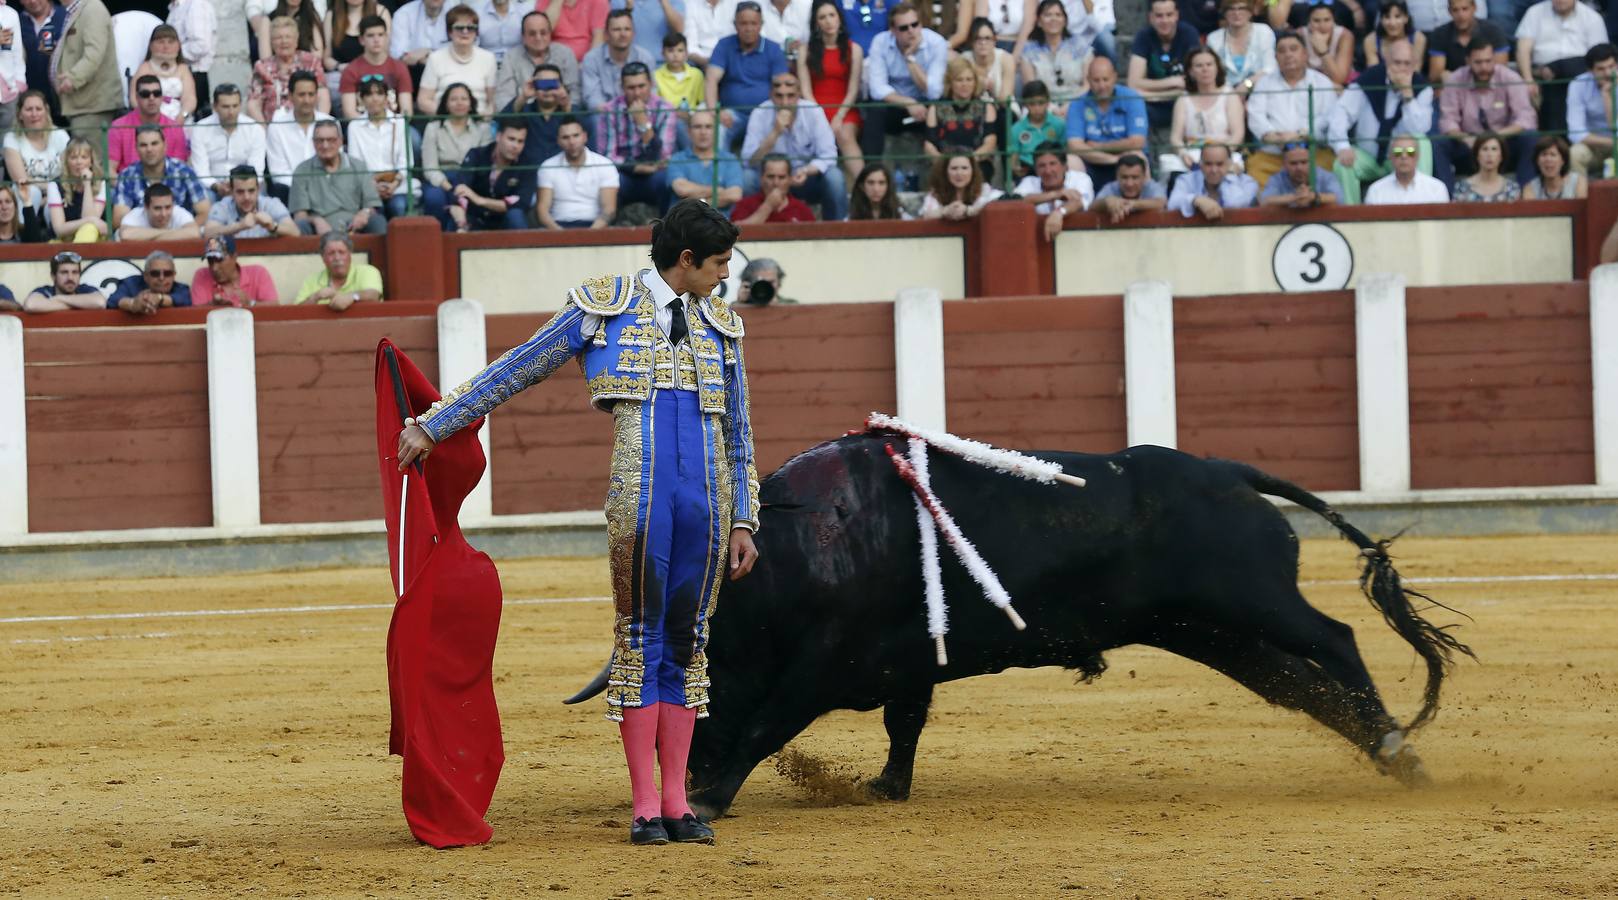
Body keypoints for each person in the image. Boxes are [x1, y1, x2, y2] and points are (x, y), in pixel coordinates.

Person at [396, 199, 760, 849]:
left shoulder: (722, 326)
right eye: (719, 262)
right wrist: (435, 424)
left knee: (688, 643)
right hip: (641, 500)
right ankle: (645, 806)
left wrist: (744, 520)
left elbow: (739, 436)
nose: (725, 275)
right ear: (686, 261)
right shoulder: (607, 304)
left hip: (707, 507)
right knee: (640, 640)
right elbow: (520, 366)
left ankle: (678, 802)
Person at [1326, 38, 1432, 204]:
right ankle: (1350, 216)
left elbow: (1419, 128)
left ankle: (1423, 205)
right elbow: (1340, 112)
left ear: (1414, 65)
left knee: (1422, 142)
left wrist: (1408, 96)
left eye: (1407, 64)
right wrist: (1342, 147)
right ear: (1387, 61)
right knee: (1342, 164)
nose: (1402, 69)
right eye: (1397, 63)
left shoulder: (1422, 88)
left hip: (1401, 156)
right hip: (1368, 157)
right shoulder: (1369, 79)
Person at [742, 71, 847, 219]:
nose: (785, 102)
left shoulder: (813, 111)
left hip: (805, 177)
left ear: (799, 95)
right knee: (747, 178)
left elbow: (829, 155)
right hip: (771, 180)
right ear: (771, 95)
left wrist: (806, 170)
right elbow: (748, 161)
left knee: (834, 177)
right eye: (779, 96)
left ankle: (838, 230)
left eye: (790, 96)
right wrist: (775, 133)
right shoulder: (760, 113)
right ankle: (745, 229)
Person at [1435, 40, 1537, 187]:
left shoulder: (1510, 78)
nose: (1484, 67)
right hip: (1468, 143)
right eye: (1478, 62)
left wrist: (1496, 137)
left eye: (1488, 61)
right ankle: (1447, 200)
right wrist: (1466, 138)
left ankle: (1527, 196)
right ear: (1468, 61)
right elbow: (1447, 121)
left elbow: (1525, 118)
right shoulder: (1455, 79)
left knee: (1530, 138)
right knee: (1438, 144)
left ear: (1494, 60)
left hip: (1504, 141)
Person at [1245, 31, 1337, 185]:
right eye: (1282, 51)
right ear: (1275, 57)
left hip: (1313, 153)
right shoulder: (1264, 83)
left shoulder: (1322, 82)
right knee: (1255, 170)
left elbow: (1328, 118)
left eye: (1293, 49)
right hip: (1274, 153)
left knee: (1332, 169)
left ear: (1305, 54)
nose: (1288, 55)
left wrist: (1300, 135)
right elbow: (1256, 117)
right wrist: (1275, 138)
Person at [859, 1, 947, 158]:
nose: (911, 31)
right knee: (874, 111)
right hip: (895, 106)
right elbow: (877, 90)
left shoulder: (936, 43)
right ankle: (872, 172)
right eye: (904, 28)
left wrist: (910, 59)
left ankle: (942, 170)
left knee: (941, 108)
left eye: (915, 24)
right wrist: (908, 103)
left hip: (926, 107)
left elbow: (934, 91)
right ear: (893, 30)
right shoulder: (881, 42)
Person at [1514, 0, 1608, 136]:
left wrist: (1560, 67)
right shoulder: (1534, 12)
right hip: (1541, 76)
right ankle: (1550, 142)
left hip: (1581, 75)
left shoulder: (1592, 17)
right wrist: (1528, 79)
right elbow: (1523, 49)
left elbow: (1599, 56)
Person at [706, 1, 790, 149]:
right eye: (743, 23)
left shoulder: (773, 48)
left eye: (753, 23)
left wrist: (779, 113)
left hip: (766, 114)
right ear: (735, 24)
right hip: (732, 114)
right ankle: (721, 172)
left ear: (761, 24)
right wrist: (715, 112)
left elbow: (782, 86)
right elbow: (711, 79)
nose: (748, 28)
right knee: (717, 130)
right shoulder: (724, 45)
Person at [798, 0, 864, 179]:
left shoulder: (854, 49)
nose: (828, 21)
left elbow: (853, 90)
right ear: (816, 23)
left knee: (844, 136)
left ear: (839, 18)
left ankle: (865, 185)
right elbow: (805, 90)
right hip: (814, 107)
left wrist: (839, 116)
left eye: (832, 15)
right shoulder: (805, 50)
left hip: (844, 108)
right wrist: (818, 116)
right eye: (822, 17)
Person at [598, 60, 677, 210]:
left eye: (641, 86)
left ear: (651, 84)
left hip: (655, 172)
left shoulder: (665, 109)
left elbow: (662, 156)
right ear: (622, 88)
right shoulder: (610, 110)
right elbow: (607, 156)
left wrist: (643, 123)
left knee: (667, 179)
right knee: (608, 181)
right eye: (631, 88)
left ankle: (667, 229)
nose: (637, 93)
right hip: (623, 172)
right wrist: (634, 167)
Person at [1066, 56, 1148, 189]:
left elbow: (1137, 142)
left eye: (1105, 79)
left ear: (1115, 77)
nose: (1102, 86)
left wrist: (1098, 146)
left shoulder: (1132, 98)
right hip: (1092, 161)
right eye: (1096, 80)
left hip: (1125, 160)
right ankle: (1078, 206)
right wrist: (1112, 159)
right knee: (1071, 161)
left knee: (1138, 156)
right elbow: (1075, 145)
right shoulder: (1077, 104)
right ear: (1088, 80)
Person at [289, 120, 385, 234]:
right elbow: (299, 215)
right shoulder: (302, 170)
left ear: (340, 141)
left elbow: (372, 205)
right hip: (319, 229)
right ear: (313, 143)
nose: (325, 145)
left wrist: (364, 213)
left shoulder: (358, 166)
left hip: (354, 225)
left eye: (331, 140)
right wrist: (316, 220)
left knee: (378, 221)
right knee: (301, 226)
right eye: (320, 141)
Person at [1128, 0, 1202, 145]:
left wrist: (1150, 91)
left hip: (1185, 101)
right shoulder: (1143, 36)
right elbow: (1133, 83)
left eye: (1169, 15)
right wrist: (1173, 82)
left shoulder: (1189, 34)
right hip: (1154, 105)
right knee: (1133, 106)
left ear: (1177, 15)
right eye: (1159, 16)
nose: (1164, 21)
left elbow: (1194, 81)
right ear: (1151, 18)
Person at [1166, 46, 1246, 176]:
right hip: (1193, 155)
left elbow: (1237, 135)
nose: (1205, 69)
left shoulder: (1229, 96)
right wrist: (1183, 153)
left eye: (1209, 64)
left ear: (1217, 67)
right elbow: (1176, 137)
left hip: (1224, 155)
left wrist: (1219, 155)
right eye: (1199, 66)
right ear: (1191, 71)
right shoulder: (1183, 99)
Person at [52, 0, 122, 145]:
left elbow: (94, 52)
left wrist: (73, 78)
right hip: (82, 105)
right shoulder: (76, 11)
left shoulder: (93, 9)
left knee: (90, 161)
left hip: (92, 106)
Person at [112, 125, 211, 229]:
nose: (149, 149)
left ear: (165, 145)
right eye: (143, 145)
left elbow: (204, 212)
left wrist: (180, 234)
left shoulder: (184, 172)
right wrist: (156, 236)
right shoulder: (127, 175)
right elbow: (119, 220)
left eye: (154, 143)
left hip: (180, 237)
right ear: (136, 148)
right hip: (140, 239)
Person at [446, 119, 536, 231]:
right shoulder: (477, 155)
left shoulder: (527, 164)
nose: (515, 146)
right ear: (498, 136)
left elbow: (519, 203)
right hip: (474, 219)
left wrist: (479, 199)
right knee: (455, 219)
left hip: (503, 222)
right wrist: (461, 224)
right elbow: (460, 190)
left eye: (520, 141)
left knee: (515, 215)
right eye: (511, 139)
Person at [346, 76, 415, 219]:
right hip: (367, 187)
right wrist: (373, 187)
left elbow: (406, 160)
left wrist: (394, 184)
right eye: (369, 94)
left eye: (379, 93)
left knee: (398, 207)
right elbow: (356, 164)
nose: (374, 99)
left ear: (386, 98)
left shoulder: (400, 123)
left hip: (397, 185)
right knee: (376, 214)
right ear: (362, 99)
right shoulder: (355, 127)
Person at [425, 83, 493, 224]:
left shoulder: (482, 128)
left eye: (464, 98)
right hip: (444, 180)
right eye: (454, 99)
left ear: (471, 103)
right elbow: (430, 168)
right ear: (446, 104)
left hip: (473, 180)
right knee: (434, 198)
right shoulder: (433, 128)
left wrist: (465, 188)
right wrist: (450, 187)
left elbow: (484, 164)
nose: (459, 103)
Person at [190, 84, 270, 201]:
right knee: (203, 200)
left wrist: (237, 188)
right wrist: (217, 186)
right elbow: (201, 171)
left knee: (260, 199)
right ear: (215, 107)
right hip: (212, 187)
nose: (231, 112)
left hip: (246, 185)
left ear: (240, 105)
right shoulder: (200, 129)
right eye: (226, 107)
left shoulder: (255, 129)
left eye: (235, 106)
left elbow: (257, 170)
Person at [537, 115, 620, 228]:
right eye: (565, 137)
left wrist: (589, 235)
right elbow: (543, 211)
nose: (571, 142)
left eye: (576, 135)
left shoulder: (605, 165)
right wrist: (561, 235)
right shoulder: (547, 166)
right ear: (558, 141)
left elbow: (609, 210)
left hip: (594, 227)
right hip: (558, 226)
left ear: (585, 137)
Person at [266, 71, 338, 200]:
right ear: (290, 96)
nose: (307, 100)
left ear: (317, 96)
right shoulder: (276, 128)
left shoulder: (331, 123)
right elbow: (278, 173)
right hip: (291, 192)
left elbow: (336, 164)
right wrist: (304, 188)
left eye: (311, 94)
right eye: (301, 95)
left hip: (326, 191)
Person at [419, 5, 499, 114]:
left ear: (476, 32)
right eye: (459, 28)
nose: (465, 32)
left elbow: (493, 101)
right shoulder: (435, 58)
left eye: (470, 28)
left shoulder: (488, 58)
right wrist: (452, 117)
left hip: (478, 122)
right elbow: (423, 101)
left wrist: (479, 118)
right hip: (444, 122)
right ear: (449, 32)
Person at [494, 12, 581, 111]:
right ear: (523, 37)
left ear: (550, 34)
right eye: (532, 34)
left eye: (543, 33)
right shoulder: (511, 57)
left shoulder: (565, 54)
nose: (538, 38)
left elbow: (575, 93)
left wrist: (569, 114)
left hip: (560, 113)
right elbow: (503, 97)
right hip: (523, 116)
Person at [925, 56, 999, 171]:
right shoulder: (935, 108)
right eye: (959, 80)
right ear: (950, 83)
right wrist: (948, 164)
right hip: (945, 167)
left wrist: (966, 163)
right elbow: (929, 146)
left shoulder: (987, 107)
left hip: (977, 165)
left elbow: (990, 143)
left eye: (969, 79)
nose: (965, 84)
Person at [250, 16, 331, 122]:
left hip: (307, 123)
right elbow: (253, 104)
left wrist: (318, 126)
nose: (284, 41)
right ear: (271, 42)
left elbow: (323, 97)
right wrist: (264, 130)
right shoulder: (261, 67)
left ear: (296, 40)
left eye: (288, 37)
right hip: (272, 127)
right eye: (278, 38)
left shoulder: (311, 62)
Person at [109, 74, 191, 175]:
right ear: (137, 97)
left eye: (156, 93)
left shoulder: (174, 128)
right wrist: (126, 188)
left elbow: (179, 169)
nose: (151, 98)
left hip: (166, 188)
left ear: (162, 97)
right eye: (145, 94)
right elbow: (109, 170)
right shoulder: (118, 127)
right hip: (129, 187)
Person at [665, 107, 743, 211]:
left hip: (719, 225)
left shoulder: (730, 160)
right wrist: (718, 190)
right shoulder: (677, 159)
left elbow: (734, 194)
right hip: (684, 224)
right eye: (697, 127)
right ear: (689, 131)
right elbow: (682, 189)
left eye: (708, 127)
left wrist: (702, 202)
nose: (703, 132)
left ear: (716, 131)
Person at [1016, 0, 1092, 106]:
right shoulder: (1029, 51)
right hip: (1041, 108)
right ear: (1039, 21)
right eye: (1048, 15)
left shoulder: (1080, 46)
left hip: (1077, 104)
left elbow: (1088, 85)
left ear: (1065, 20)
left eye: (1058, 15)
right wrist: (1052, 110)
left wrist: (1070, 107)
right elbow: (1031, 88)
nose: (1053, 19)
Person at [582, 8, 659, 112]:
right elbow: (592, 99)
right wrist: (618, 115)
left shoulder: (645, 58)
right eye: (616, 29)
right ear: (606, 34)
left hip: (640, 111)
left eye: (627, 29)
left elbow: (652, 93)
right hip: (605, 115)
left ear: (633, 33)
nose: (623, 34)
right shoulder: (591, 59)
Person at [340, 16, 416, 119]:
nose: (376, 40)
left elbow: (407, 111)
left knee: (413, 135)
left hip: (394, 124)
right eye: (370, 35)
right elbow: (349, 113)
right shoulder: (351, 70)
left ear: (386, 37)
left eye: (380, 35)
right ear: (361, 40)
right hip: (362, 127)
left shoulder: (399, 68)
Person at [4, 90, 68, 210]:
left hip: (58, 192)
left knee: (55, 202)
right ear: (20, 114)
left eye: (38, 109)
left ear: (46, 111)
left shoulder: (60, 135)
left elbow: (68, 173)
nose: (34, 114)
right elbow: (21, 180)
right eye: (29, 109)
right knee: (31, 191)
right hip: (27, 193)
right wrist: (48, 192)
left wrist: (51, 195)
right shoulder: (11, 139)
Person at [1015, 141, 1093, 239]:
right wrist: (1056, 194)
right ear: (1036, 169)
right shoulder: (1029, 182)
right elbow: (1016, 201)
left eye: (1053, 164)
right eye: (1042, 166)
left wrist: (1059, 212)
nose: (1048, 171)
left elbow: (1079, 202)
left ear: (1065, 166)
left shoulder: (1080, 178)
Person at [205, 164, 300, 237]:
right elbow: (208, 233)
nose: (246, 197)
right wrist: (239, 226)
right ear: (232, 192)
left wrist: (272, 226)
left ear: (258, 189)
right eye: (240, 192)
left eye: (251, 191)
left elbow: (295, 232)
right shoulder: (222, 206)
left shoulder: (272, 204)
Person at [1166, 142, 1258, 218]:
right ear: (1200, 164)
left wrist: (1230, 175)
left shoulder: (1247, 183)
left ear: (1230, 163)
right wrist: (1196, 200)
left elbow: (1234, 205)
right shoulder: (1186, 180)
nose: (1214, 170)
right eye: (1208, 164)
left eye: (1219, 164)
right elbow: (1172, 204)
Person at [1427, 0, 1510, 83]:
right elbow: (1435, 75)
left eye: (1465, 9)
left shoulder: (1493, 31)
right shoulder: (1440, 34)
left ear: (1474, 8)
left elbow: (1500, 72)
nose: (1461, 15)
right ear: (1449, 11)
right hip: (1454, 89)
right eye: (1455, 10)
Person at [500, 64, 566, 167]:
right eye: (543, 84)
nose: (547, 90)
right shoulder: (524, 110)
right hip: (528, 172)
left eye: (552, 84)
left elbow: (580, 131)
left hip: (562, 171)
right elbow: (501, 122)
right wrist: (523, 96)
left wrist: (566, 103)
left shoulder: (570, 110)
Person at [295, 231, 384, 306]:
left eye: (341, 252)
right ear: (323, 257)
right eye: (331, 253)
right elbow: (297, 312)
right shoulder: (311, 280)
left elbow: (373, 295)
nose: (337, 258)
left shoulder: (367, 271)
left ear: (350, 254)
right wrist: (315, 297)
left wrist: (351, 297)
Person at [128, 24, 195, 123]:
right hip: (150, 119)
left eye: (171, 42)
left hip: (179, 120)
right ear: (151, 45)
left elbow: (190, 97)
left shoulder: (183, 69)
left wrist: (183, 115)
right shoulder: (144, 68)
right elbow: (134, 98)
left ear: (178, 45)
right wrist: (147, 115)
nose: (166, 46)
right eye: (160, 42)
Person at [1566, 43, 1616, 175]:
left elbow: (1615, 128)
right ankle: (1581, 194)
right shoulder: (1578, 84)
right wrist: (1612, 142)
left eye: (1612, 66)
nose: (1608, 73)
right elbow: (1576, 133)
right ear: (1590, 71)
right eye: (1601, 69)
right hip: (1593, 145)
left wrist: (1607, 96)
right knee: (1574, 154)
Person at [1207, 0, 1277, 93]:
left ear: (1250, 12)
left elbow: (1270, 68)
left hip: (1261, 90)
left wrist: (1247, 85)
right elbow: (1214, 74)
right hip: (1225, 93)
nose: (1236, 13)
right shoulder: (1213, 38)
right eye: (1231, 9)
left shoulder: (1264, 31)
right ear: (1224, 13)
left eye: (1242, 8)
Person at [47, 137, 107, 242]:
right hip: (63, 241)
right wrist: (90, 220)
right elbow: (59, 229)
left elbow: (90, 224)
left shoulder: (101, 183)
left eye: (84, 157)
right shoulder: (55, 185)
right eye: (73, 157)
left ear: (91, 161)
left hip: (94, 239)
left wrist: (87, 185)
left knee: (89, 229)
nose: (79, 162)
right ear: (67, 161)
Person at [193, 235, 280, 307]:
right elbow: (195, 314)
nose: (214, 268)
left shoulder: (258, 273)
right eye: (210, 261)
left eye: (219, 260)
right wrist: (213, 306)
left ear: (234, 257)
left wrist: (251, 304)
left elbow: (275, 307)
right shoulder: (202, 275)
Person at [18, 0, 66, 125]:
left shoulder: (66, 15)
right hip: (30, 102)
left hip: (63, 95)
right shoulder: (16, 20)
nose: (33, 1)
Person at [1364, 133, 1450, 202]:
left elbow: (1443, 224)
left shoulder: (1437, 189)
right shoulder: (1376, 191)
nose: (1404, 156)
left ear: (1418, 156)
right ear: (1390, 157)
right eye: (1398, 152)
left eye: (1410, 151)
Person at [732, 151, 816, 221]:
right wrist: (768, 206)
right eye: (770, 177)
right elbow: (736, 236)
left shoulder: (802, 210)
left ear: (790, 179)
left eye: (782, 177)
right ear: (761, 178)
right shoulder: (745, 205)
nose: (776, 183)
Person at [327, 0, 393, 86]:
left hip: (375, 75)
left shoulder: (381, 11)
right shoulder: (332, 15)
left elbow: (386, 52)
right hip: (341, 75)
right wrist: (340, 67)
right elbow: (326, 58)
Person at [919, 151, 1003, 219]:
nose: (959, 173)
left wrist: (969, 211)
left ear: (973, 171)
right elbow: (924, 216)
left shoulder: (984, 190)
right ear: (945, 171)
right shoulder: (936, 193)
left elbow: (1002, 204)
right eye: (954, 168)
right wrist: (945, 211)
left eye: (964, 168)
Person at [106, 250, 195, 314]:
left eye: (167, 273)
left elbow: (184, 299)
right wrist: (133, 304)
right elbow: (113, 300)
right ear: (145, 276)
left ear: (174, 275)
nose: (161, 278)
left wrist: (159, 298)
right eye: (155, 273)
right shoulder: (131, 283)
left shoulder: (181, 289)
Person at [1007, 79, 1064, 177]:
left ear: (1048, 102)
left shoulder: (1059, 124)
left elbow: (1065, 151)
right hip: (1029, 170)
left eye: (1041, 103)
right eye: (1032, 104)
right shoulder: (1016, 129)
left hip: (1053, 170)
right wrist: (1015, 168)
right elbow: (1013, 158)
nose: (1037, 108)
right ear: (1025, 104)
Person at [1259, 139, 1341, 206]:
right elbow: (1264, 201)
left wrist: (1313, 197)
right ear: (1284, 165)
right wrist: (1295, 197)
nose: (1299, 168)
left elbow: (1339, 199)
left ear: (1313, 162)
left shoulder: (1326, 176)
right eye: (1293, 163)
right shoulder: (1277, 179)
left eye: (1304, 162)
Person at [1091, 152, 1168, 223]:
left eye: (1135, 178)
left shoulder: (1153, 186)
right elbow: (1092, 206)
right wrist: (1106, 202)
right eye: (1124, 177)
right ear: (1117, 176)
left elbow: (1161, 203)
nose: (1129, 184)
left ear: (1144, 177)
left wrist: (1131, 205)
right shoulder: (1111, 187)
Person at [21, 250, 106, 312]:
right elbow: (30, 305)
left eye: (75, 272)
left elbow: (100, 302)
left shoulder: (84, 289)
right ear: (53, 276)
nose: (70, 278)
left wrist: (58, 298)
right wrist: (81, 304)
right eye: (64, 272)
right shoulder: (46, 291)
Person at [116, 182, 202, 240]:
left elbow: (194, 233)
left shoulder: (179, 212)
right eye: (157, 208)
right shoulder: (136, 214)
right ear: (146, 207)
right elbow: (125, 235)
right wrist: (173, 233)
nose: (163, 214)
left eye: (168, 207)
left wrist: (147, 237)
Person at [1451, 131, 1521, 200]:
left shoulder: (1512, 188)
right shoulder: (1462, 188)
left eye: (1494, 149)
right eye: (1484, 149)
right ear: (1477, 155)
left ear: (1501, 156)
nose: (1489, 154)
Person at [391, 0, 452, 77]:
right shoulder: (403, 13)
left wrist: (427, 53)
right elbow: (398, 54)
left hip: (448, 72)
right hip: (413, 72)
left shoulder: (457, 12)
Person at [655, 30, 708, 118]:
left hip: (691, 120)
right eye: (670, 51)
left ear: (686, 53)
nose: (675, 55)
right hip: (666, 119)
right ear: (663, 54)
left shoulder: (696, 74)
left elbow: (702, 103)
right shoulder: (656, 76)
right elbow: (656, 106)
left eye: (680, 50)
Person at [963, 16, 1014, 101]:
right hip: (973, 109)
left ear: (994, 40)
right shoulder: (964, 60)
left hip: (1004, 110)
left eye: (987, 38)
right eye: (978, 38)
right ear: (971, 41)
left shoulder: (1007, 59)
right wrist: (979, 87)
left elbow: (1006, 98)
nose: (983, 43)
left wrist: (992, 90)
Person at [544, 0, 611, 63]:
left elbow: (599, 38)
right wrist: (557, 2)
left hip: (585, 63)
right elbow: (543, 31)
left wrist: (588, 64)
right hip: (552, 60)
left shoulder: (598, 1)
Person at [1302, 5, 1353, 87]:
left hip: (1336, 83)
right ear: (1309, 21)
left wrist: (1323, 51)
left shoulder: (1345, 36)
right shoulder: (1300, 35)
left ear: (1334, 20)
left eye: (1327, 20)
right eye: (1316, 21)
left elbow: (1339, 78)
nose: (1322, 26)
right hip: (1309, 83)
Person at [622, 0, 690, 61]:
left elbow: (678, 30)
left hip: (663, 65)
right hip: (630, 64)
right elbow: (616, 29)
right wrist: (628, 10)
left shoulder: (675, 1)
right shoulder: (617, 1)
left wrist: (664, 2)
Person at [1520, 133, 1585, 196]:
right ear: (1537, 161)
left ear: (1563, 161)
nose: (1548, 159)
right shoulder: (1530, 189)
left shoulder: (1578, 183)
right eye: (1544, 154)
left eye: (1553, 155)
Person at [1364, 0, 1425, 67]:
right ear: (1381, 20)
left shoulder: (1418, 38)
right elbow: (1373, 73)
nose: (1392, 23)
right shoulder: (1371, 40)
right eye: (1387, 17)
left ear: (1406, 18)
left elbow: (1415, 70)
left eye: (1397, 16)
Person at [683, 0, 738, 66]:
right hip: (702, 59)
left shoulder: (736, 3)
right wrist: (706, 62)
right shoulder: (691, 5)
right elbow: (690, 44)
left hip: (733, 58)